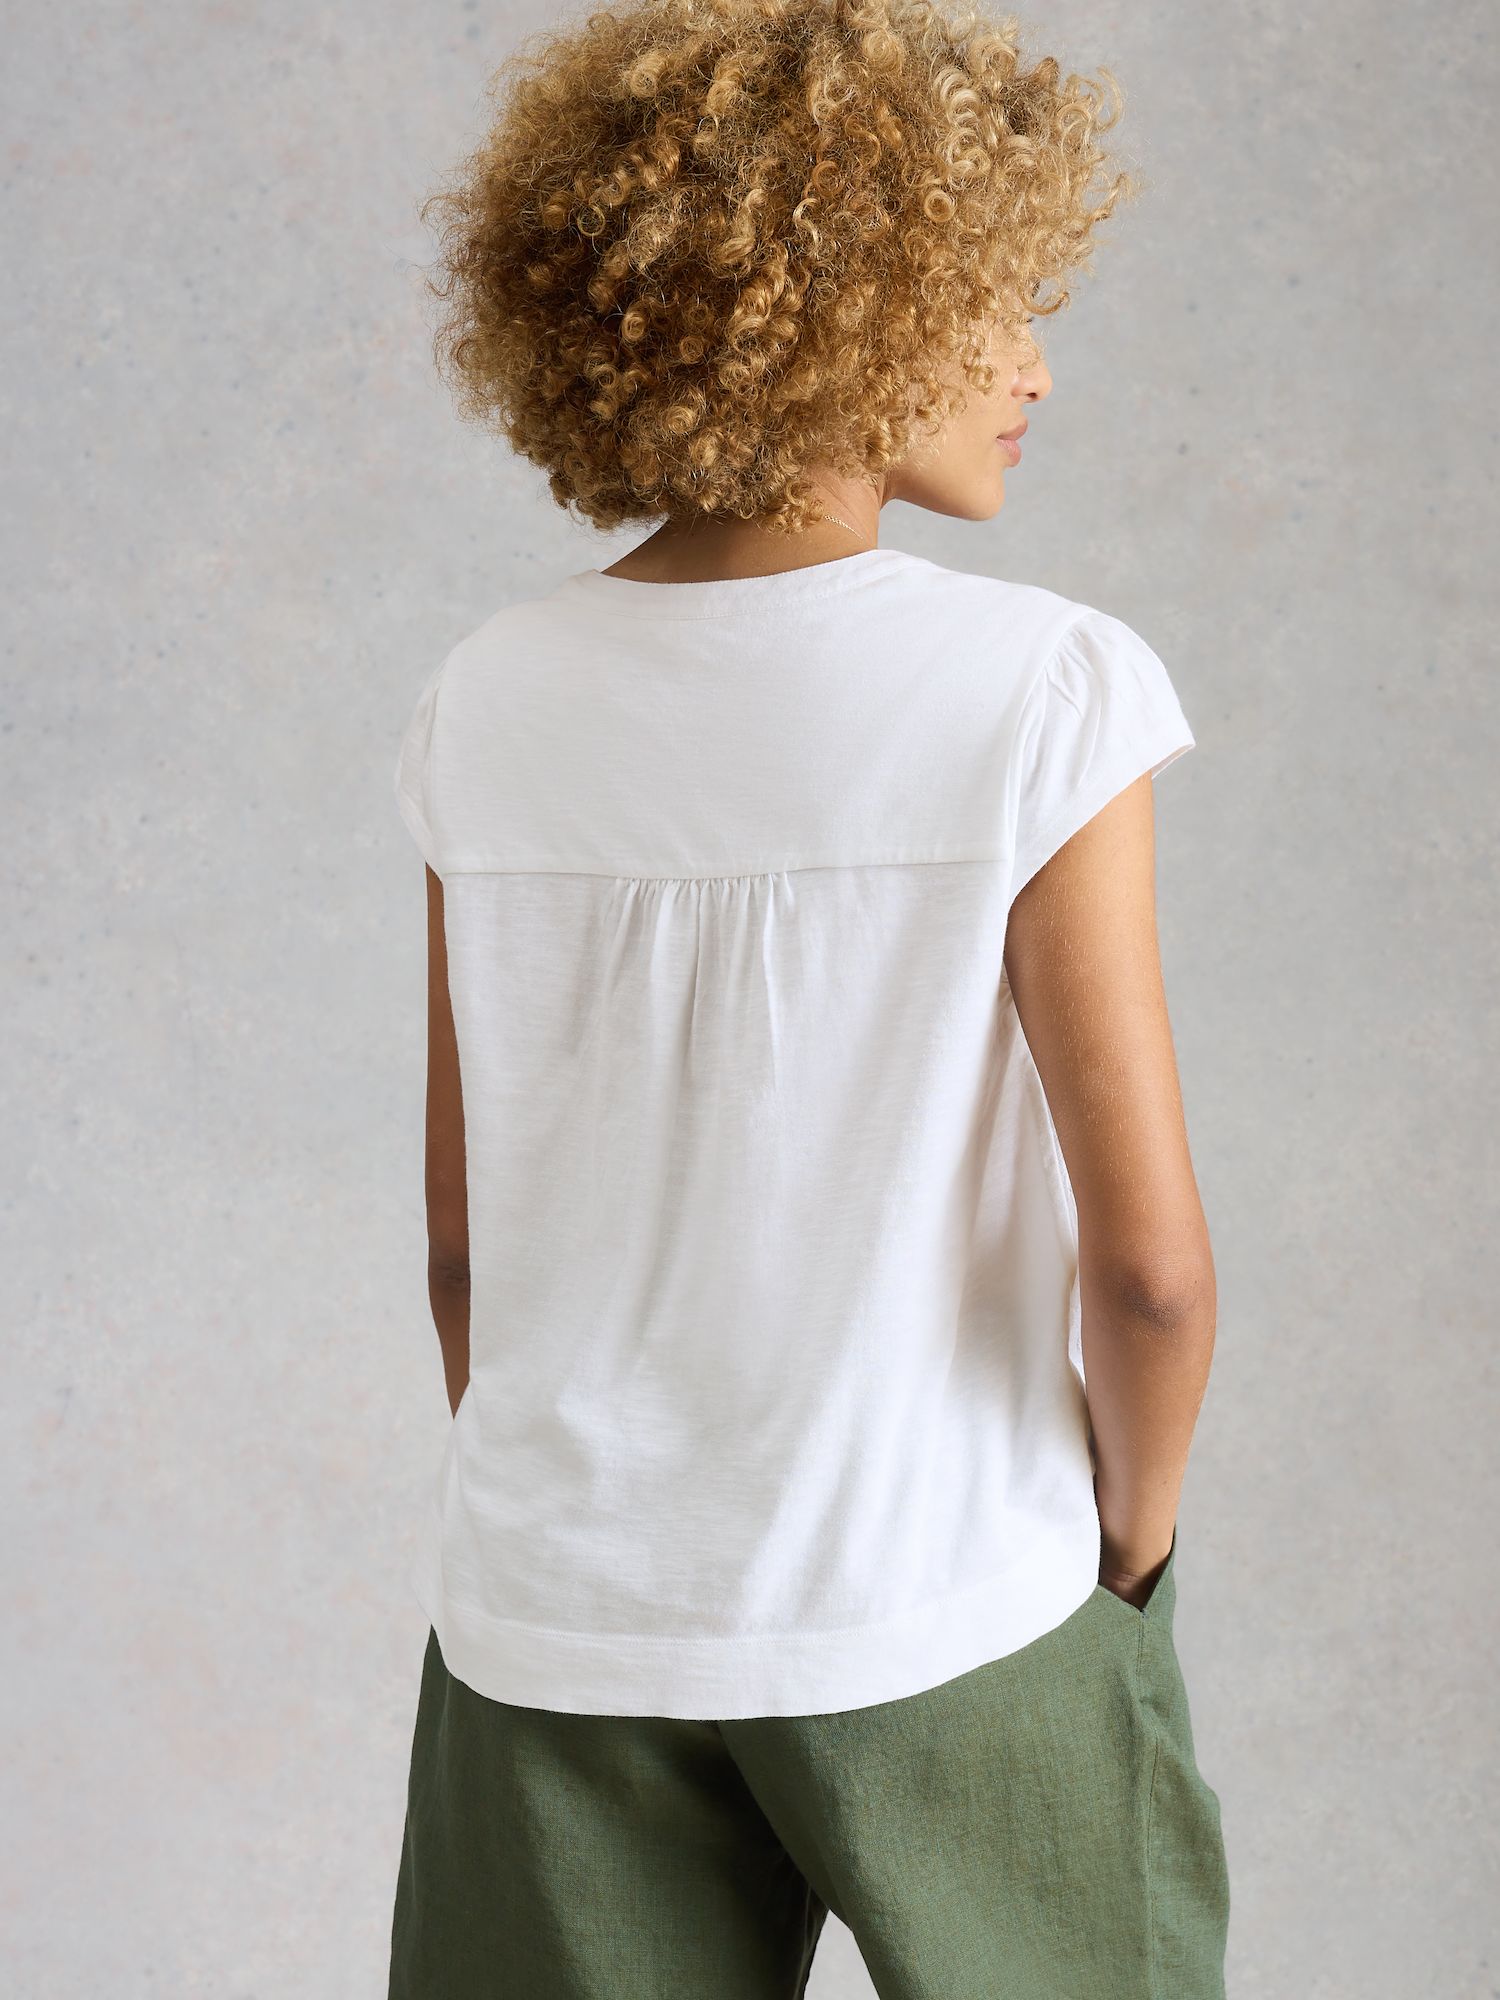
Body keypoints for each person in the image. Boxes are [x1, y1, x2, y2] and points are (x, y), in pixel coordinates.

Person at [386, 0, 1231, 1993]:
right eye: (993, 302)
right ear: (846, 310)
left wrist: (600, 1519)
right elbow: (1152, 1274)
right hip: (949, 1589)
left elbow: (463, 1249)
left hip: (556, 1626)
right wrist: (1127, 1550)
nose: (1035, 367)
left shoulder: (485, 699)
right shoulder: (1040, 688)